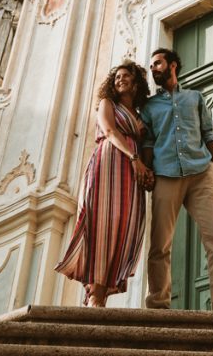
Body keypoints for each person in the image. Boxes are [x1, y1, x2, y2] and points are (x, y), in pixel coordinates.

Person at [141, 48, 213, 319]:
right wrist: (148, 170)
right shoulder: (150, 107)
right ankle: (157, 309)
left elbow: (209, 133)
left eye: (158, 64)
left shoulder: (195, 98)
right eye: (151, 65)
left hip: (201, 174)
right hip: (166, 175)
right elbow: (148, 142)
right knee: (159, 245)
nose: (153, 69)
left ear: (172, 65)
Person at [55, 62, 154, 307]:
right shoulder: (107, 104)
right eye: (117, 77)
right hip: (109, 164)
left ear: (136, 82)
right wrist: (135, 160)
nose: (120, 80)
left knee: (124, 225)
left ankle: (100, 293)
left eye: (126, 76)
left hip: (131, 174)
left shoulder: (141, 116)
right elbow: (109, 131)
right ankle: (95, 293)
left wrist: (146, 169)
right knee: (102, 224)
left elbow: (146, 145)